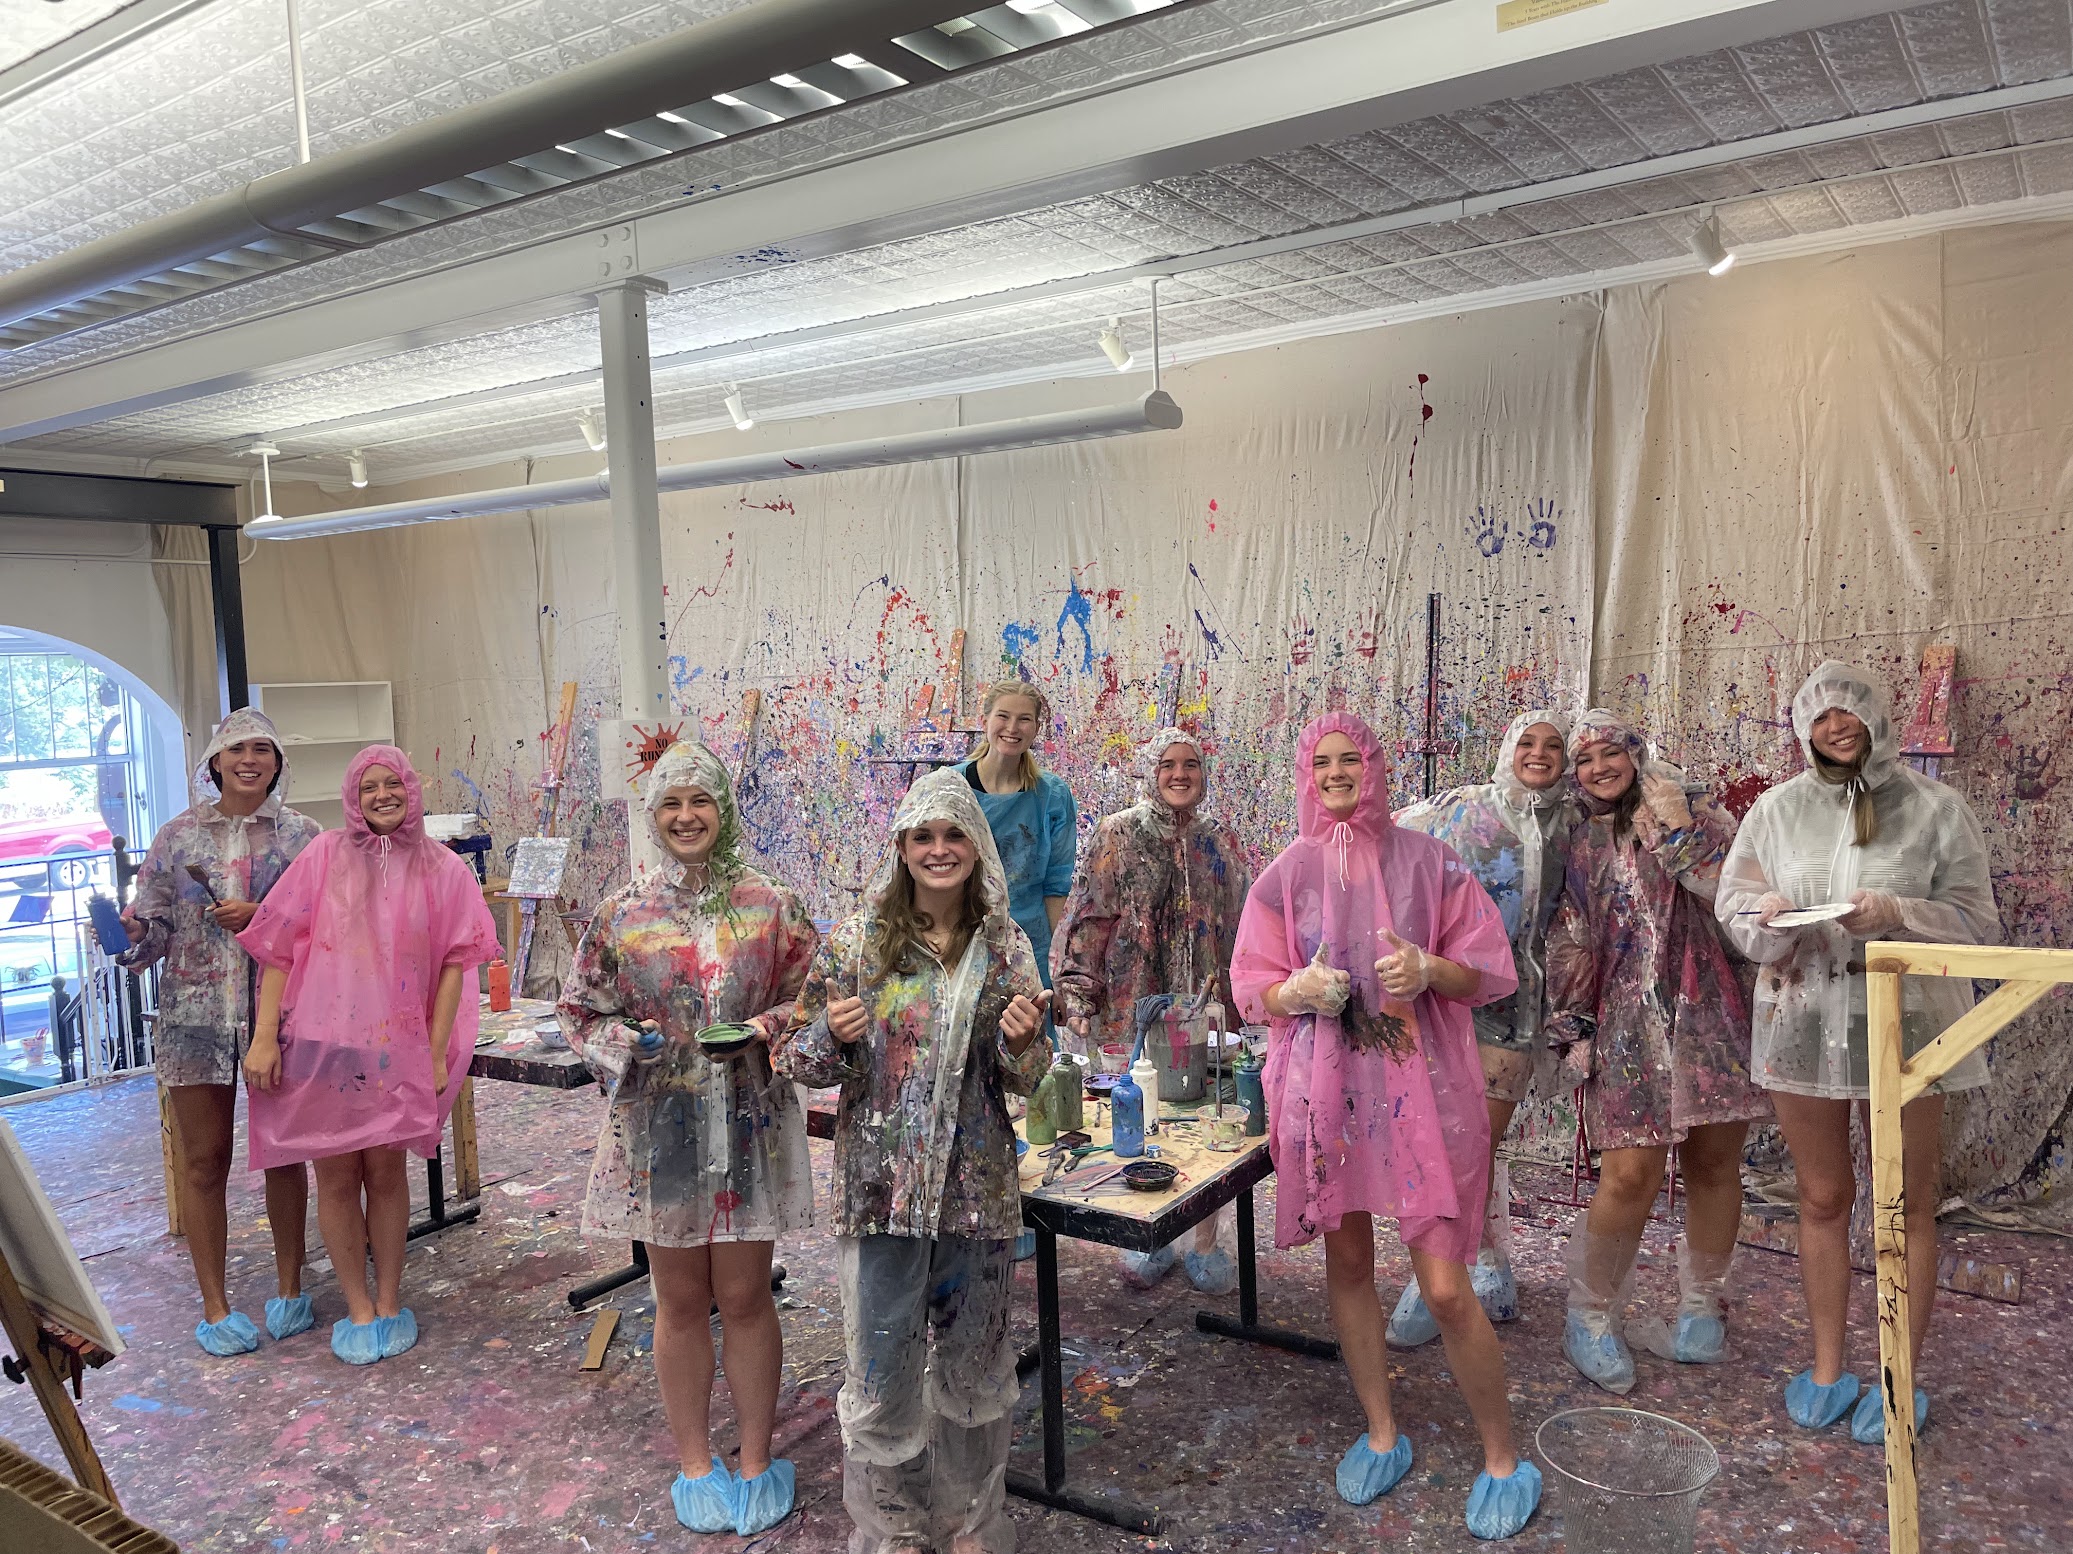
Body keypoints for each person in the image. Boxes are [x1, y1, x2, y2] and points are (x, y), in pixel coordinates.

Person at [1230, 712, 1541, 1541]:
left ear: (1374, 768)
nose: (1337, 774)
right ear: (1307, 772)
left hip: (1423, 1099)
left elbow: (1491, 969)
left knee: (1444, 1286)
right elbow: (1250, 984)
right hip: (1325, 1098)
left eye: (1350, 761)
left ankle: (1504, 1456)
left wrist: (1430, 967)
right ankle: (1379, 1430)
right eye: (1321, 761)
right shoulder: (1286, 872)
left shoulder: (1429, 861)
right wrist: (1293, 991)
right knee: (1349, 1259)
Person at [1717, 662, 1997, 1443]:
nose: (1834, 726)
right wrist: (1764, 918)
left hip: (1905, 1024)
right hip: (1803, 1018)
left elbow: (1976, 921)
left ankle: (1897, 1373)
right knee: (1819, 1197)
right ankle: (1828, 1363)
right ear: (1802, 729)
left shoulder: (1936, 809)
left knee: (1901, 1203)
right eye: (1819, 717)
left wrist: (1898, 911)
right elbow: (1735, 908)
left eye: (1847, 712)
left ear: (1874, 716)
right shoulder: (1776, 811)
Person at [775, 768, 1052, 1554]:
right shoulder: (862, 942)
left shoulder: (1005, 948)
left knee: (972, 1368)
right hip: (881, 1195)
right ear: (900, 847)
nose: (938, 850)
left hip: (975, 1193)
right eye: (923, 837)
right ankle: (893, 1530)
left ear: (976, 845)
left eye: (953, 834)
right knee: (882, 1369)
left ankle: (968, 1525)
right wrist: (829, 1034)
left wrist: (1023, 1044)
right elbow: (799, 1062)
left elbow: (1025, 1080)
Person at [557, 742, 817, 1535]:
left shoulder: (771, 905)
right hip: (657, 1131)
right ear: (653, 817)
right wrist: (622, 1045)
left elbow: (817, 996)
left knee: (741, 1296)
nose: (685, 817)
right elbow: (578, 1009)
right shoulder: (622, 913)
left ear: (723, 809)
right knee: (677, 1299)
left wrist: (765, 1027)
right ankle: (697, 1460)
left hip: (749, 1123)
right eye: (670, 805)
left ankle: (753, 1456)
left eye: (698, 801)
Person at [238, 745, 501, 1366]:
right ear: (353, 797)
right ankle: (355, 1306)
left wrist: (435, 1054)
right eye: (368, 787)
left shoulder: (441, 868)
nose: (382, 795)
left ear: (411, 789)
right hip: (324, 1044)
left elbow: (456, 968)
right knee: (335, 1174)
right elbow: (279, 946)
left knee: (385, 1174)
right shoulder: (324, 855)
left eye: (393, 784)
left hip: (397, 1049)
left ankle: (388, 1300)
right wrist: (264, 1035)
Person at [1544, 710, 1770, 1395]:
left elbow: (1738, 897)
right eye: (1582, 760)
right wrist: (1571, 1027)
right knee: (1627, 1177)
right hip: (1625, 1025)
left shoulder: (1695, 809)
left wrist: (1675, 831)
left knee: (1712, 1164)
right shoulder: (1578, 837)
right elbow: (1569, 936)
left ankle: (1702, 1304)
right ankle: (1588, 1317)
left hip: (1710, 1017)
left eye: (1608, 754)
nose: (1596, 769)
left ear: (1635, 755)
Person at [117, 708, 321, 1356]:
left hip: (280, 1017)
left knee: (284, 1155)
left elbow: (325, 925)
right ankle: (214, 1304)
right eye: (237, 750)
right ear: (214, 764)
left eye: (263, 748)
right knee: (203, 1163)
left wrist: (263, 914)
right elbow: (152, 935)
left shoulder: (304, 838)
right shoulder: (176, 838)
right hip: (192, 1017)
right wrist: (132, 934)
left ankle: (290, 1288)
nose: (249, 759)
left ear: (277, 762)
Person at [1388, 710, 1578, 1343]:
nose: (1540, 754)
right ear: (1507, 749)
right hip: (1447, 999)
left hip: (1519, 1012)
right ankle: (1463, 1269)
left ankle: (1455, 1272)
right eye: (1527, 741)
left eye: (1554, 746)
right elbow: (1387, 838)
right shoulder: (1464, 810)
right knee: (1445, 1143)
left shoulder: (1576, 824)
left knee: (1474, 1145)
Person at [1052, 727, 1250, 1292]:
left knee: (1213, 1120)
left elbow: (1243, 926)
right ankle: (1152, 1234)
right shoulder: (1119, 834)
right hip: (1133, 1006)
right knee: (1146, 1116)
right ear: (1149, 772)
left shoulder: (1221, 840)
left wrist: (1248, 999)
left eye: (1191, 764)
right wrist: (1079, 993)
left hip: (1207, 1006)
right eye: (1168, 765)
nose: (1180, 774)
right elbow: (1090, 919)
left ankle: (1205, 1242)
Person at [959, 680, 1077, 987]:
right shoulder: (951, 787)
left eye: (1024, 719)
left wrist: (1055, 966)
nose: (1012, 727)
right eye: (1003, 716)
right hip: (960, 941)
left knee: (1033, 1031)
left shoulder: (1053, 796)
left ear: (1036, 728)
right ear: (984, 721)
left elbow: (1056, 884)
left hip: (1029, 946)